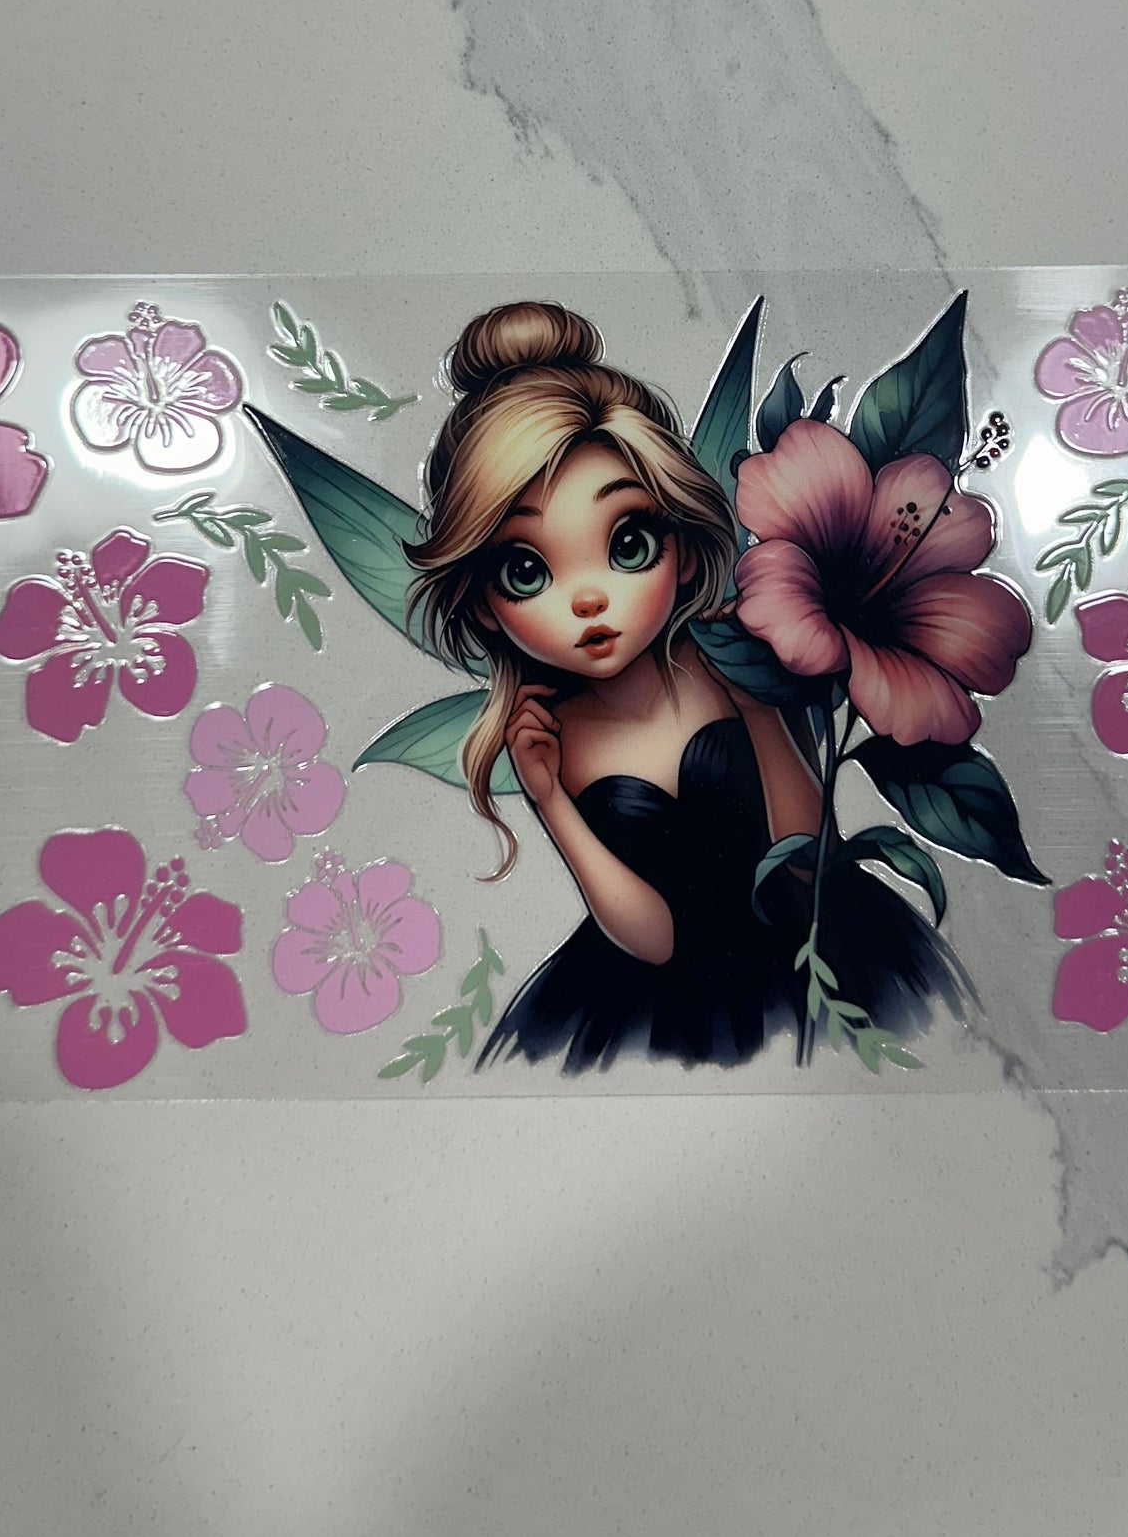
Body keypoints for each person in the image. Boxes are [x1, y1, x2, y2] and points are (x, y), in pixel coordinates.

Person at [404, 301, 967, 1071]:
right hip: (661, 1006)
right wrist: (549, 799)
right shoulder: (555, 737)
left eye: (628, 543)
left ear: (682, 541)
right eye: (526, 569)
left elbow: (810, 861)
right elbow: (653, 939)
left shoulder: (720, 658)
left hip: (825, 952)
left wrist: (756, 700)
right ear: (480, 601)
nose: (589, 599)